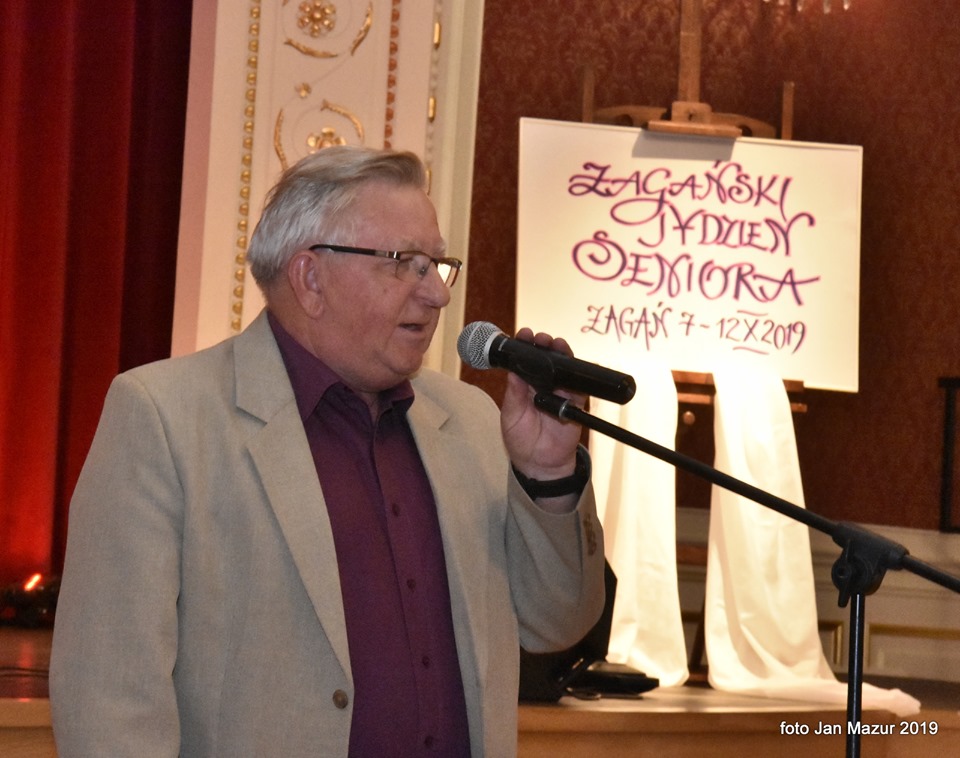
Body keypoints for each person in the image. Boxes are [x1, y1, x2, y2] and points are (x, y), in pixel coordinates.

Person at [49, 145, 605, 757]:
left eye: (438, 265)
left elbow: (556, 623)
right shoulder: (166, 418)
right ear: (310, 278)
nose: (438, 295)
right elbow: (109, 698)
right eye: (405, 264)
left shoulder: (472, 423)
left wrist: (548, 473)